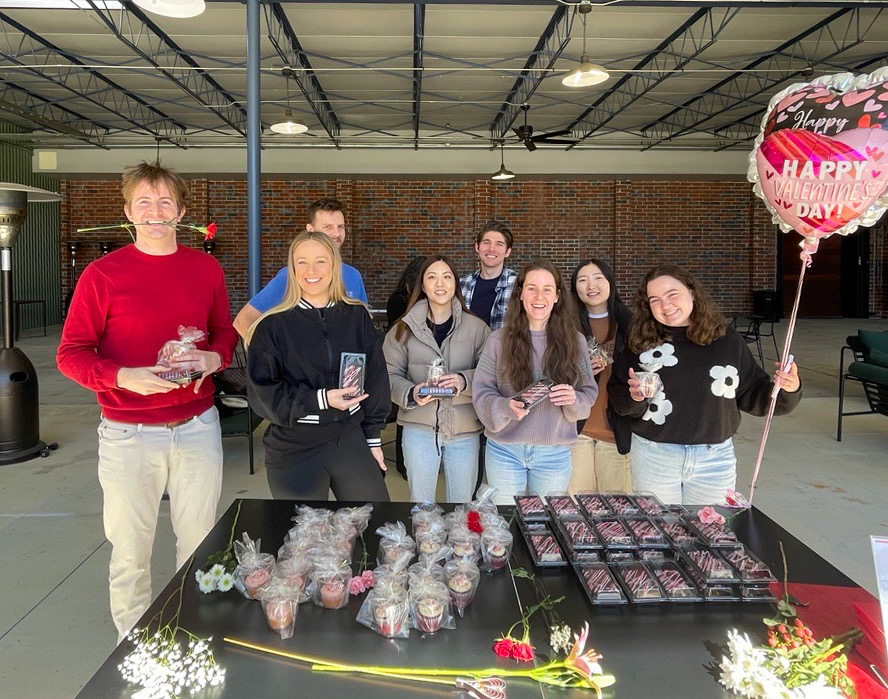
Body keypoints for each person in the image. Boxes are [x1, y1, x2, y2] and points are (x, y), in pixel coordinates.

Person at [56, 162, 238, 642]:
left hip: (197, 427)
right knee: (131, 552)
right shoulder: (101, 275)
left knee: (198, 545)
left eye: (164, 203)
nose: (155, 212)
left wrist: (210, 360)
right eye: (144, 202)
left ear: (181, 212)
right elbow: (70, 355)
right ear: (128, 213)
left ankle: (191, 636)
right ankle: (131, 648)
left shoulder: (205, 268)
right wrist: (122, 377)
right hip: (127, 435)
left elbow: (225, 333)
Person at [608, 263, 801, 505]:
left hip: (714, 459)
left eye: (672, 295)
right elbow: (619, 400)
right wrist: (634, 397)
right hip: (654, 455)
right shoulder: (641, 342)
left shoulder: (725, 340)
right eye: (654, 300)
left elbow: (756, 396)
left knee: (710, 535)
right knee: (660, 534)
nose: (665, 305)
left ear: (692, 292)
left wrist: (788, 387)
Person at [246, 231, 390, 501]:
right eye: (302, 262)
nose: (311, 271)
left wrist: (373, 438)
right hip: (293, 446)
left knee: (376, 528)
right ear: (292, 268)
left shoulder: (356, 315)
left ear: (334, 266)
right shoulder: (272, 326)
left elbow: (376, 378)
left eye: (320, 261)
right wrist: (321, 399)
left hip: (349, 438)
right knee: (307, 539)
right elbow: (263, 396)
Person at [472, 260, 597, 505]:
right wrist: (505, 407)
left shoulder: (576, 342)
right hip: (505, 450)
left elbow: (588, 393)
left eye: (547, 289)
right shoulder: (499, 340)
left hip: (554, 452)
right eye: (531, 288)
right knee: (504, 524)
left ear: (558, 296)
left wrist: (574, 399)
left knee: (544, 527)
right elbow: (481, 391)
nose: (539, 296)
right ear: (520, 294)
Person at [383, 256, 491, 503]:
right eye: (432, 277)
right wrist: (411, 392)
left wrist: (464, 381)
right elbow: (388, 374)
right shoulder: (402, 329)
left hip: (464, 429)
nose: (440, 283)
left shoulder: (477, 328)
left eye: (447, 276)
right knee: (421, 507)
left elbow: (491, 374)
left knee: (461, 506)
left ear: (456, 283)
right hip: (418, 428)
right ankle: (426, 544)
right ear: (422, 285)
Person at [233, 198, 367, 338]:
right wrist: (272, 353)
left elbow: (364, 327)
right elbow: (243, 321)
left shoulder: (353, 275)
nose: (337, 234)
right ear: (310, 230)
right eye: (328, 227)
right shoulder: (293, 275)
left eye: (340, 227)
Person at [568, 258, 633, 494]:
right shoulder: (565, 325)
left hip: (615, 432)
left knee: (616, 514)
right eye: (582, 280)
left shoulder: (631, 325)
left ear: (610, 283)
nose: (590, 285)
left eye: (598, 278)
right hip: (578, 432)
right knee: (575, 509)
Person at [385, 255, 427, 479]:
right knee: (406, 411)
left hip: (425, 363)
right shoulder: (399, 299)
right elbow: (398, 333)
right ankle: (405, 464)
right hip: (405, 362)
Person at [460, 220, 518, 331]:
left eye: (499, 244)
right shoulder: (462, 285)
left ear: (508, 252)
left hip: (504, 348)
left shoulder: (519, 284)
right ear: (477, 247)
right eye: (486, 242)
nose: (492, 249)